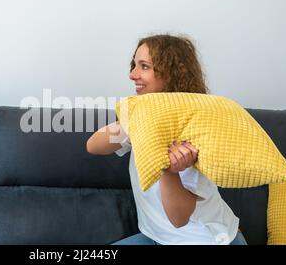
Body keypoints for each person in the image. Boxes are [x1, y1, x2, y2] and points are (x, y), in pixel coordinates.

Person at [86, 34, 247, 245]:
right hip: (156, 238)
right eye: (134, 65)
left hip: (206, 240)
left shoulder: (197, 129)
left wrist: (170, 172)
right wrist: (136, 122)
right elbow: (93, 146)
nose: (132, 75)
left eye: (144, 67)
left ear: (171, 74)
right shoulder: (142, 119)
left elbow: (179, 219)